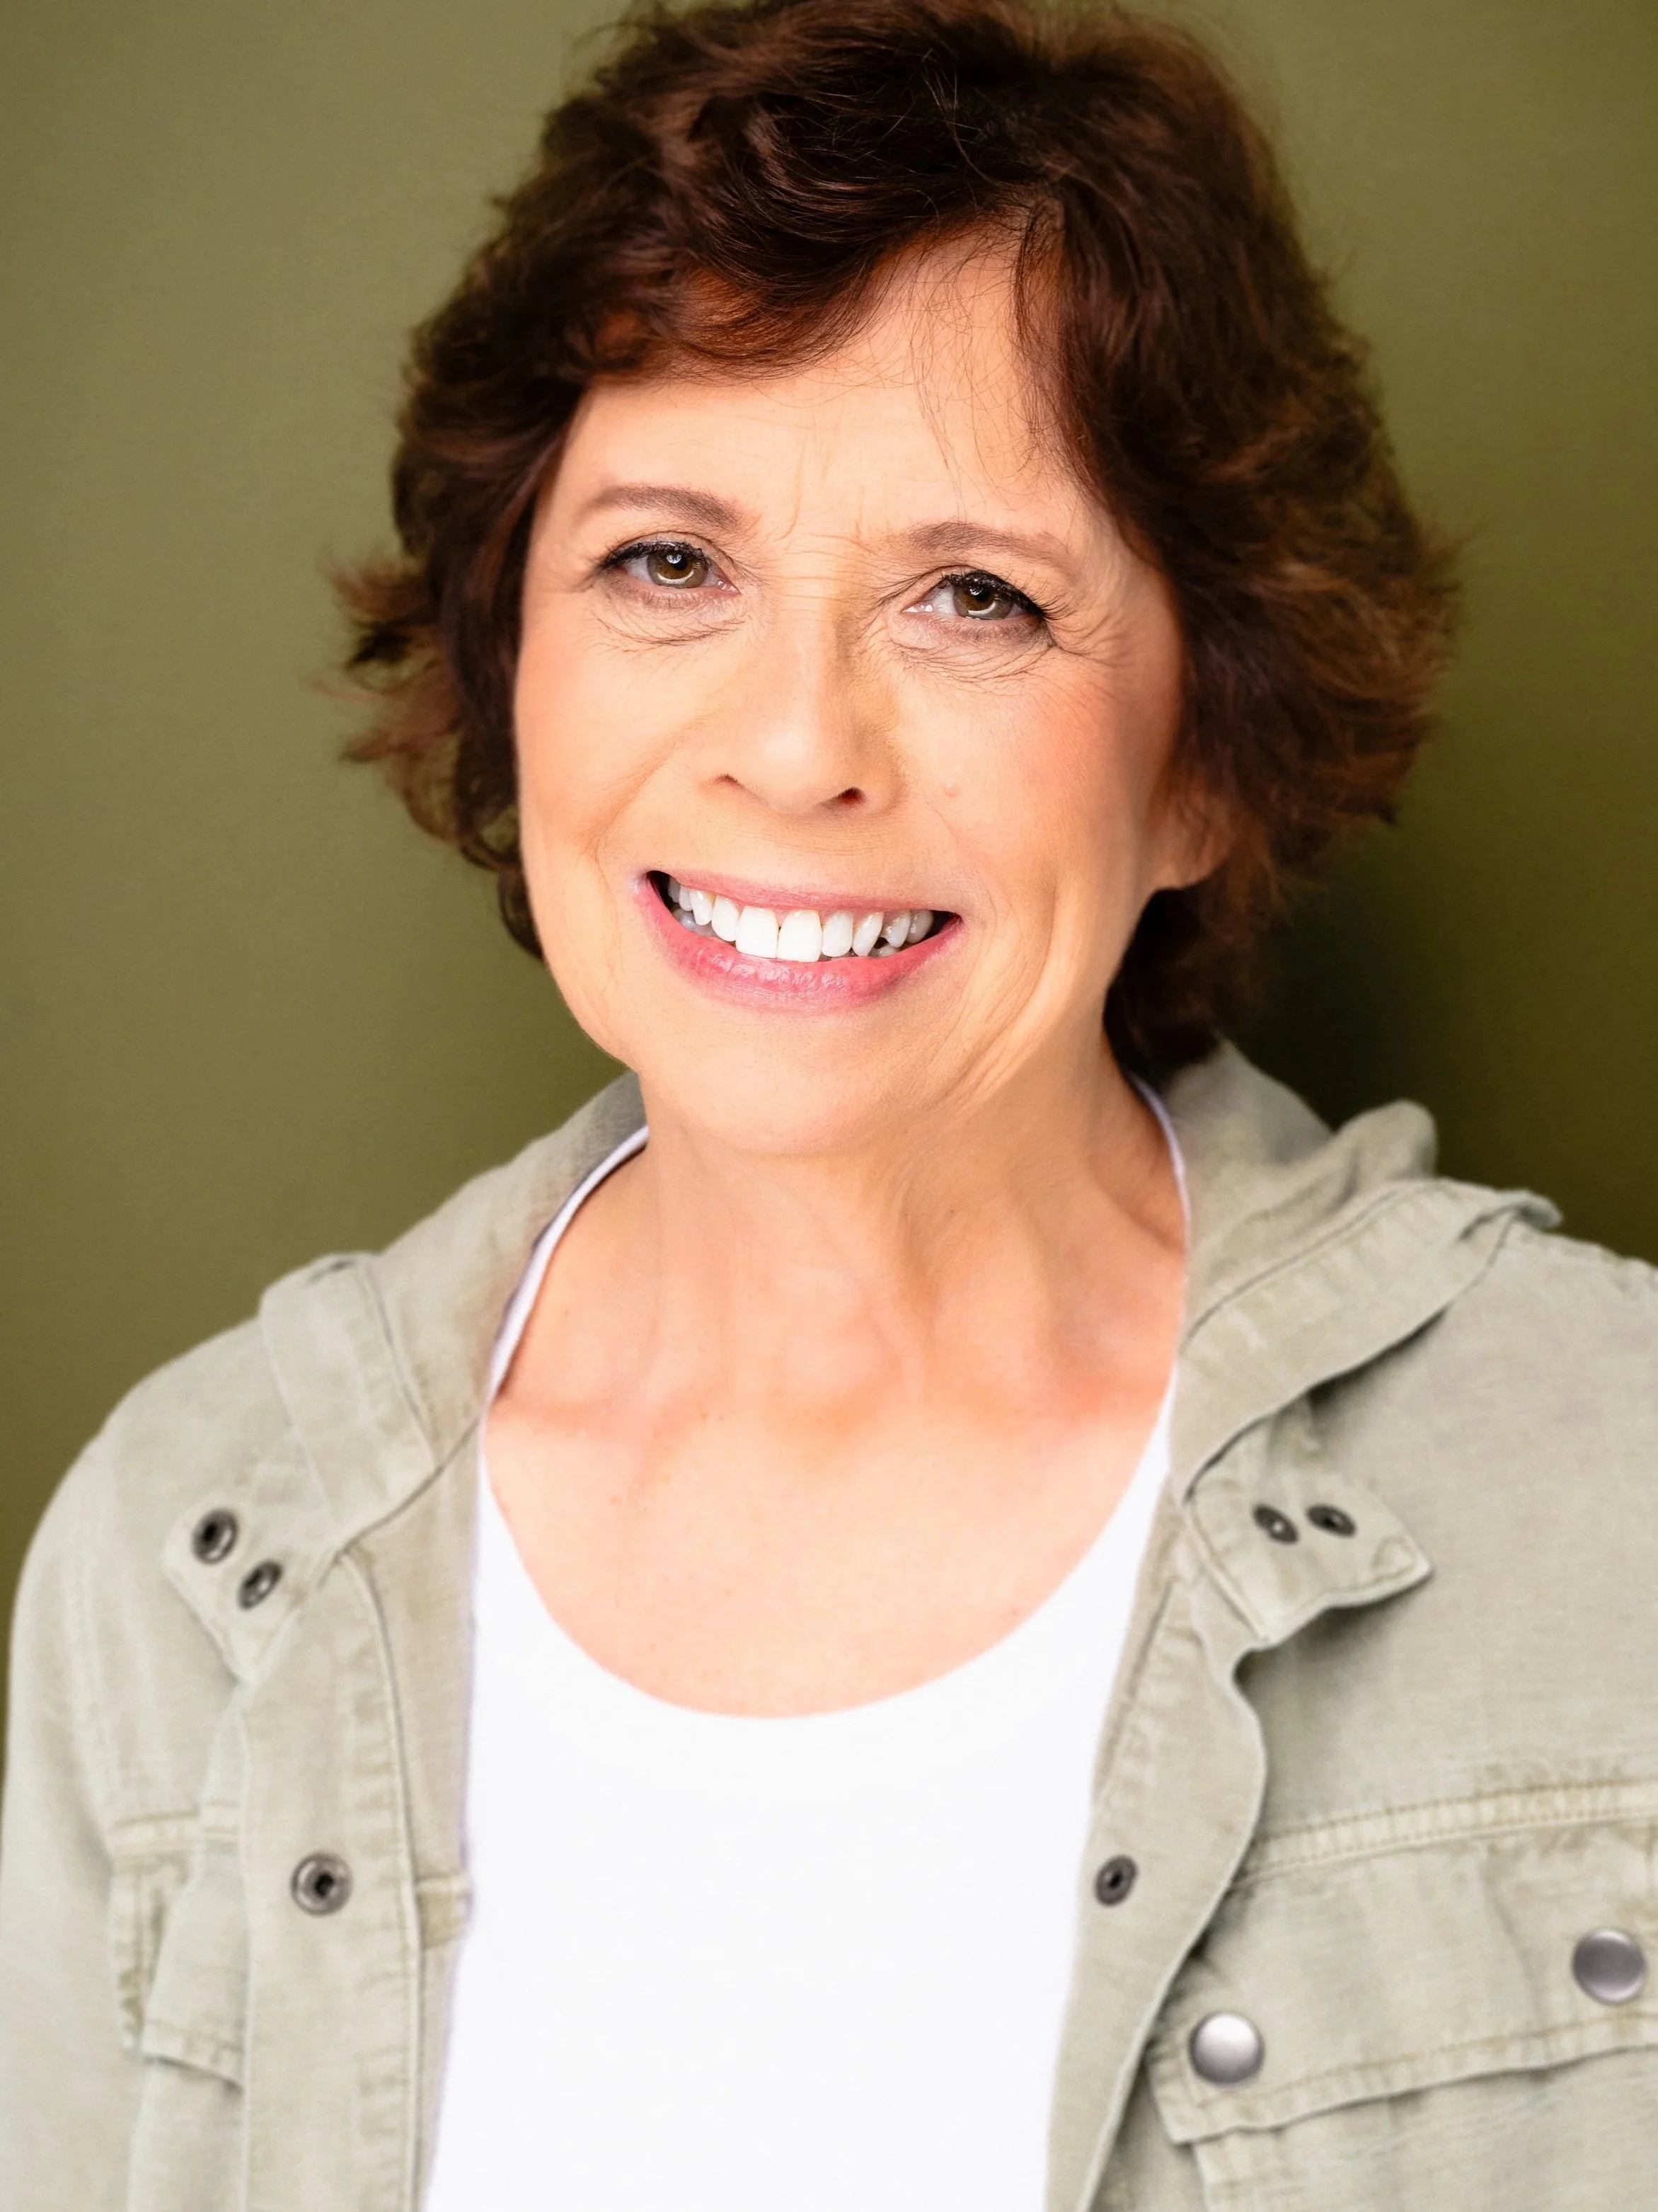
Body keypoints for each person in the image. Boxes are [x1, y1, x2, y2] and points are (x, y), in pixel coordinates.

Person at [3, 0, 1655, 2206]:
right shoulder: (181, 1556)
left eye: (974, 597)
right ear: (512, 661)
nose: (794, 746)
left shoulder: (1617, 1501)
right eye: (665, 563)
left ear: (1203, 756)